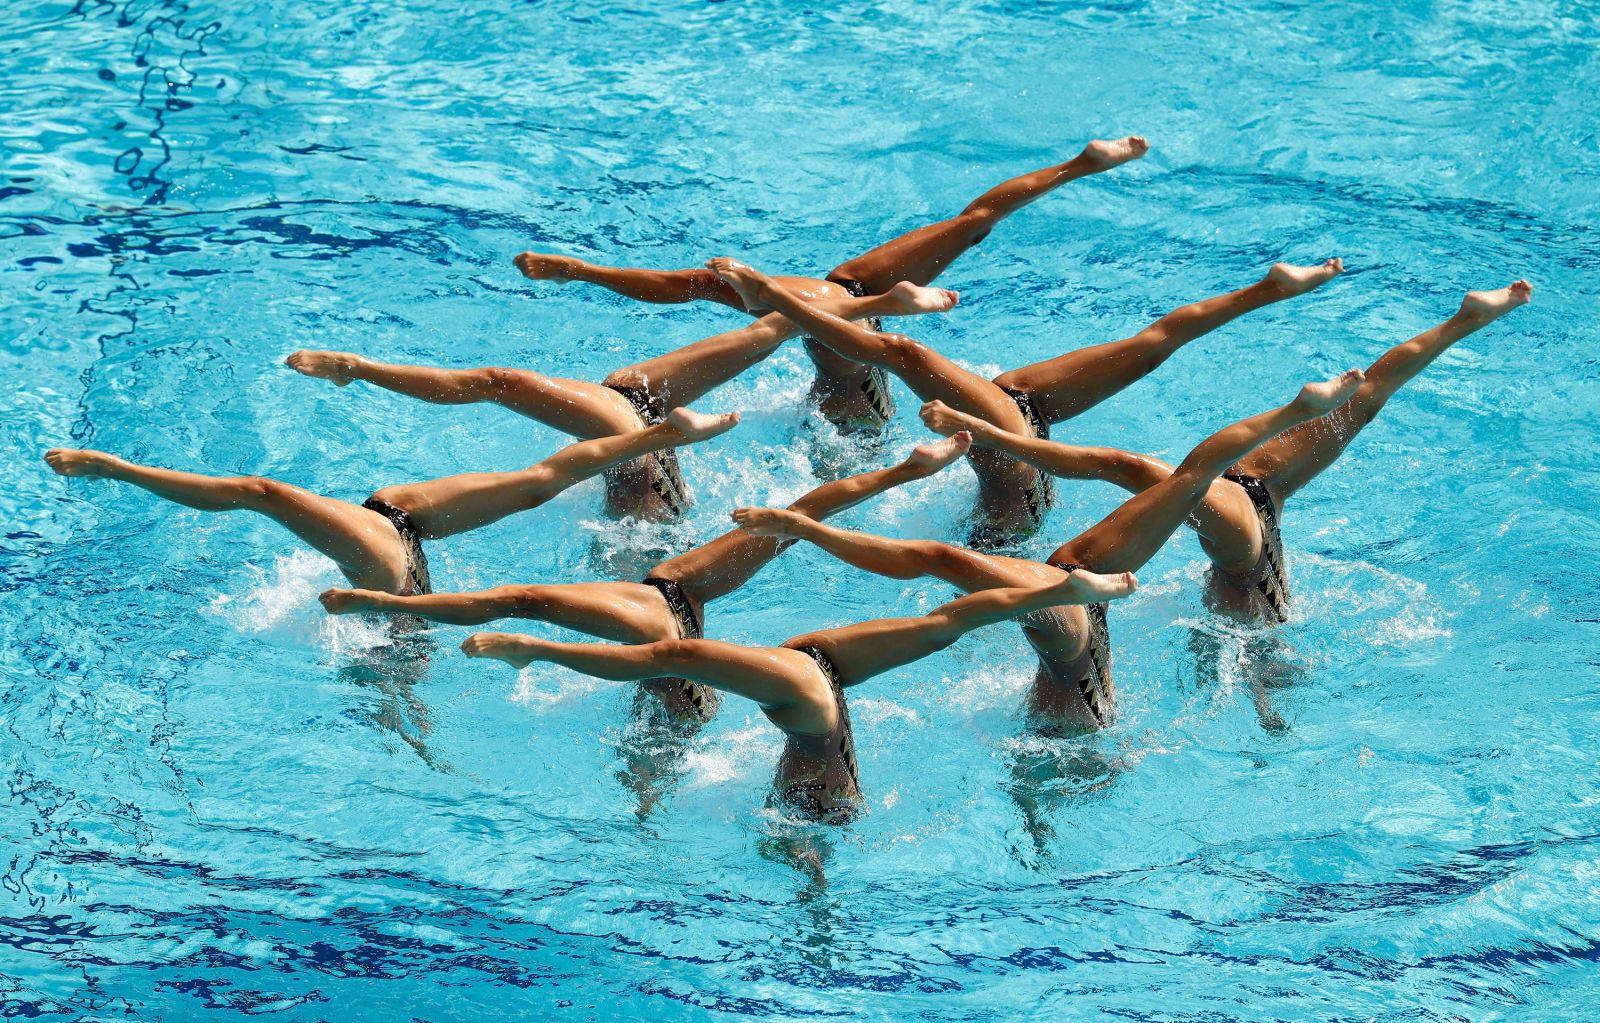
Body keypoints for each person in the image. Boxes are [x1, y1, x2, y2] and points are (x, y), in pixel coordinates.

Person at [731, 371, 1367, 734]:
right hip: (1077, 600)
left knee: (1174, 483)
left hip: (1073, 648)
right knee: (1175, 481)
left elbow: (936, 569)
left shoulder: (1068, 667)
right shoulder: (1255, 516)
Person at [914, 280, 1535, 624]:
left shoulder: (1244, 592)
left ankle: (1461, 324)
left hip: (1255, 505)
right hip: (1253, 513)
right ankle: (1461, 323)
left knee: (1356, 405)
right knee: (1362, 399)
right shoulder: (1251, 601)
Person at [512, 138, 1150, 430]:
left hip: (840, 313)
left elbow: (690, 285)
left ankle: (880, 305)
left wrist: (584, 270)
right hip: (843, 313)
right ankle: (1076, 165)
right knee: (969, 224)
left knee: (730, 297)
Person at [706, 256, 1345, 545]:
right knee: (1151, 342)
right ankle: (1267, 289)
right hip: (1022, 419)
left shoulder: (1005, 528)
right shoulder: (1007, 520)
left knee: (902, 352)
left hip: (1019, 430)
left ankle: (777, 300)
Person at [283, 282, 958, 522]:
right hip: (637, 417)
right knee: (768, 329)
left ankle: (363, 371)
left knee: (767, 330)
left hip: (637, 430)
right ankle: (882, 305)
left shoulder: (645, 548)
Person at [42, 408, 740, 599]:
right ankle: (658, 435)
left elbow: (258, 494)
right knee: (537, 482)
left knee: (266, 494)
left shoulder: (388, 586)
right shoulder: (394, 583)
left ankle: (118, 471)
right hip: (400, 544)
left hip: (395, 562)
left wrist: (116, 468)